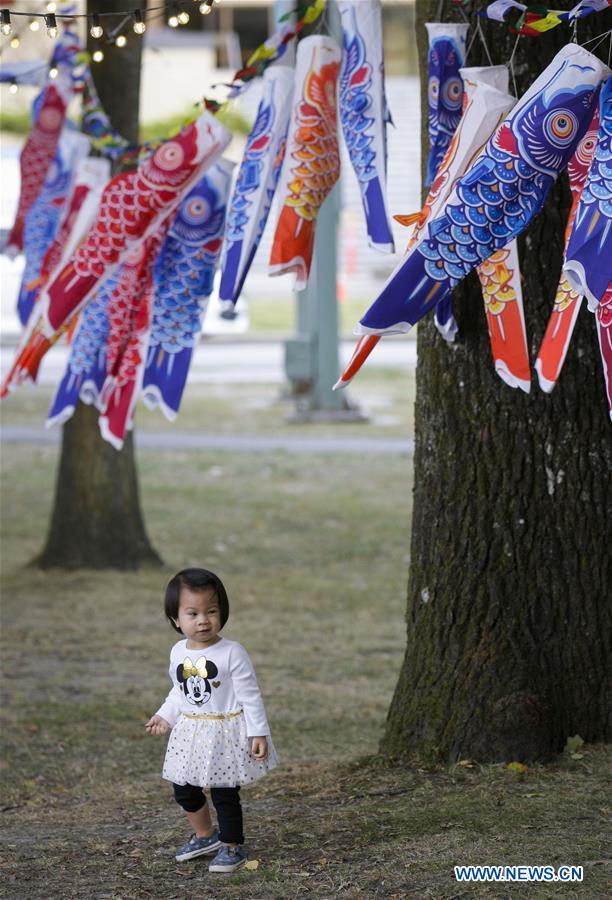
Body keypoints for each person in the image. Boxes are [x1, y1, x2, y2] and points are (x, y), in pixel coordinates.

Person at [145, 567, 278, 873]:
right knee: (183, 788)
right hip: (190, 732)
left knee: (223, 792)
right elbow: (179, 693)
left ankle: (232, 846)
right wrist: (164, 715)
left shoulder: (232, 652)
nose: (203, 620)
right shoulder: (178, 652)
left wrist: (258, 733)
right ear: (176, 619)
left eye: (211, 611)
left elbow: (250, 695)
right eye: (192, 613)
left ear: (222, 612)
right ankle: (206, 836)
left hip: (225, 731)